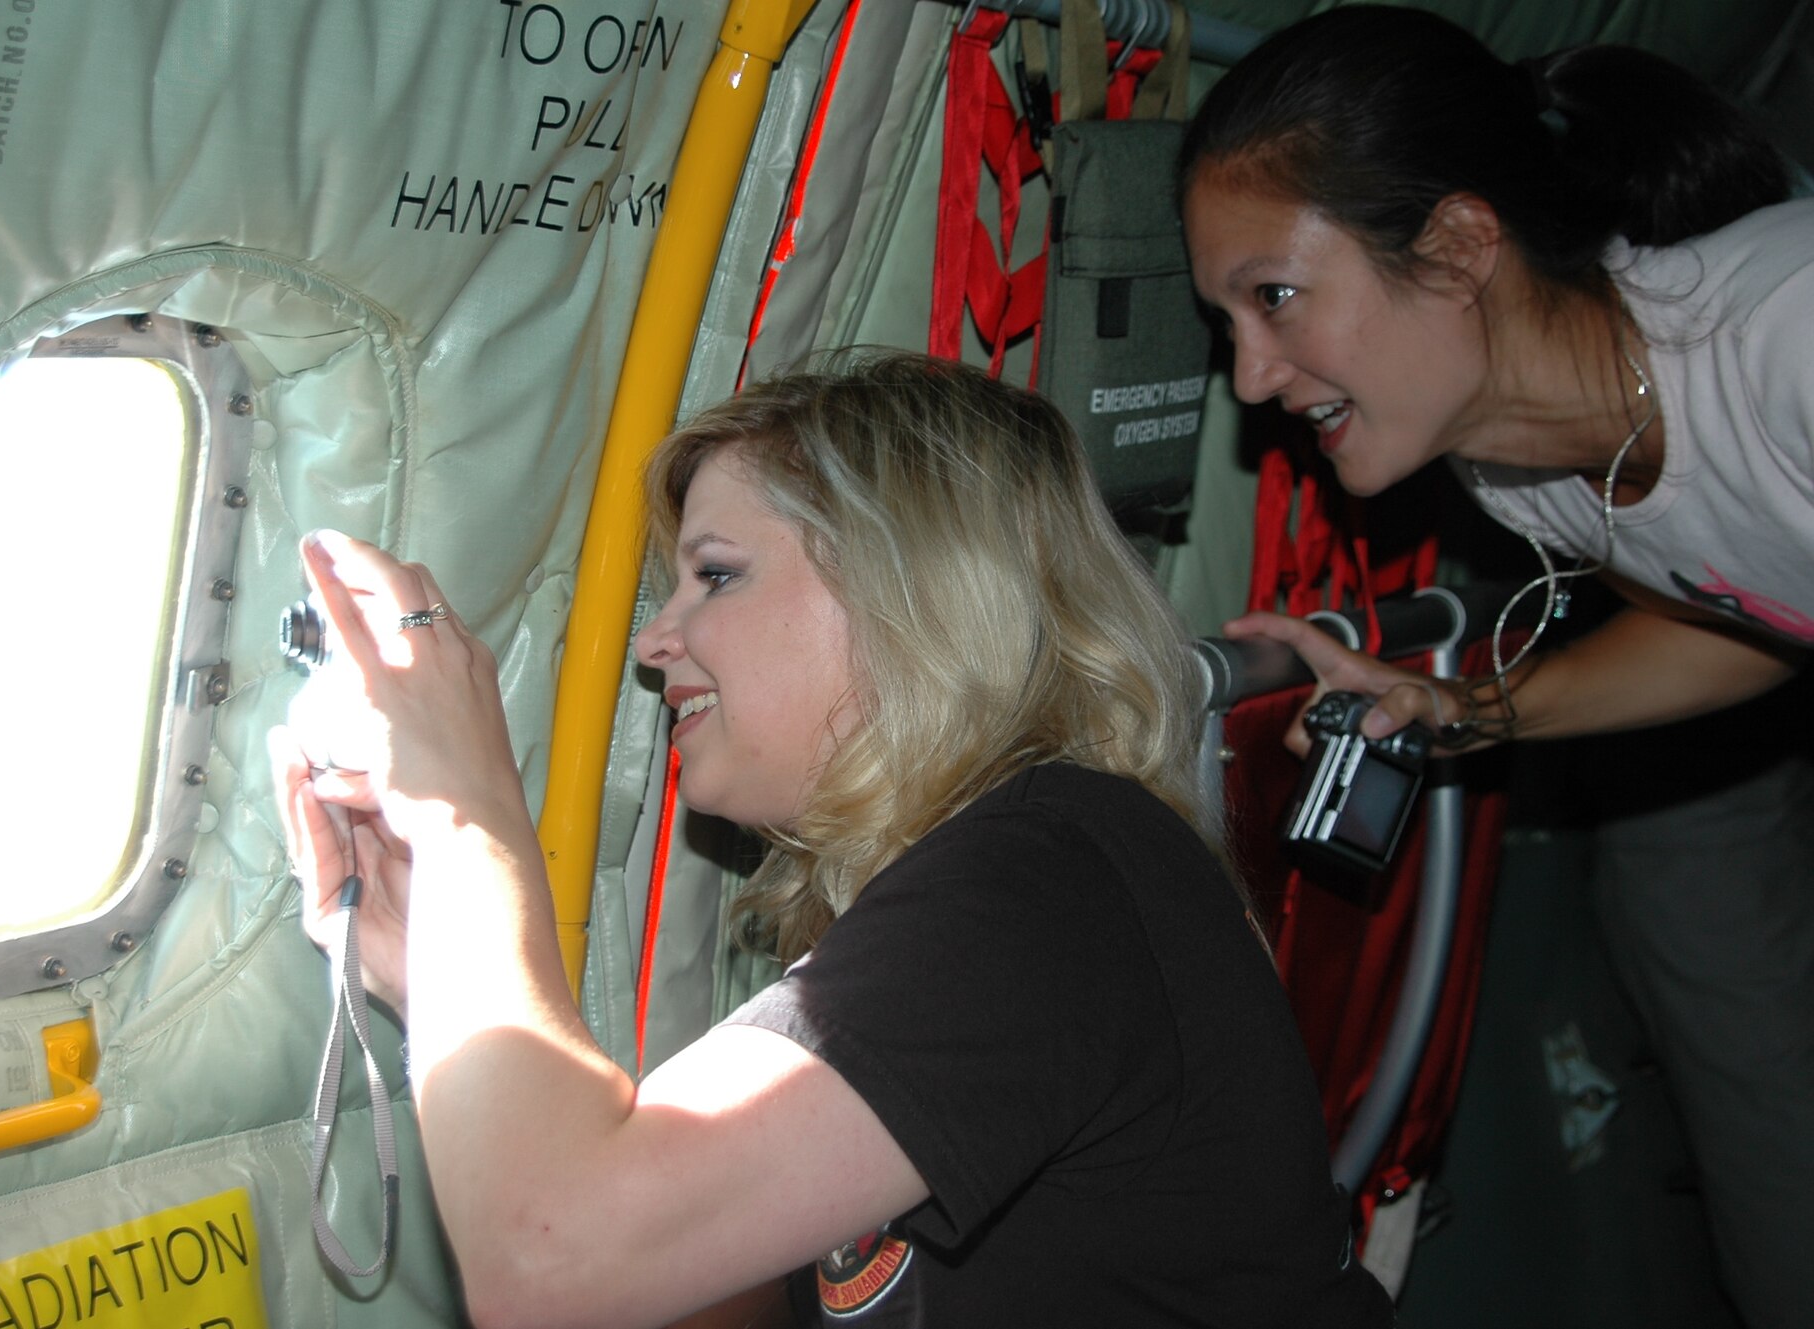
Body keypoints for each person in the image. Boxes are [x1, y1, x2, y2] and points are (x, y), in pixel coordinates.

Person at [273, 350, 1395, 1327]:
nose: (656, 640)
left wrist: (468, 820)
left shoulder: (1046, 879)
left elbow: (554, 1263)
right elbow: (677, 1281)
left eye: (714, 575)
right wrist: (437, 975)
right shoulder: (1010, 884)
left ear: (908, 589)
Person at [1176, 7, 1812, 1326]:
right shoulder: (1524, 479)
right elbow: (1740, 620)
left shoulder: (1787, 341)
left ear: (1462, 244)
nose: (1248, 374)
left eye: (1274, 296)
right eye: (1228, 318)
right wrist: (1462, 709)